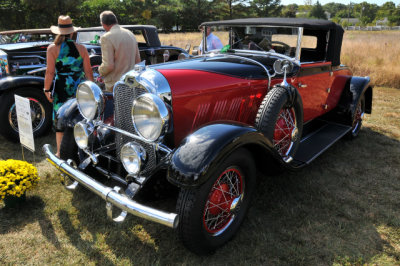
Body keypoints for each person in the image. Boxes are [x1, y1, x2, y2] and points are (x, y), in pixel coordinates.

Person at [44, 15, 93, 157]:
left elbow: (50, 72)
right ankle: (80, 152)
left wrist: (46, 89)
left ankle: (60, 153)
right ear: (72, 32)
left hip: (61, 88)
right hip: (79, 88)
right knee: (79, 119)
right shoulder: (82, 48)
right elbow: (89, 71)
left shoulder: (52, 48)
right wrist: (92, 89)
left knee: (60, 119)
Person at [99, 11, 141, 91]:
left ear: (103, 24)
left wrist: (100, 71)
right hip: (131, 82)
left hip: (115, 84)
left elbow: (108, 66)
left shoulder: (106, 37)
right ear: (116, 21)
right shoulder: (130, 34)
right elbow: (138, 61)